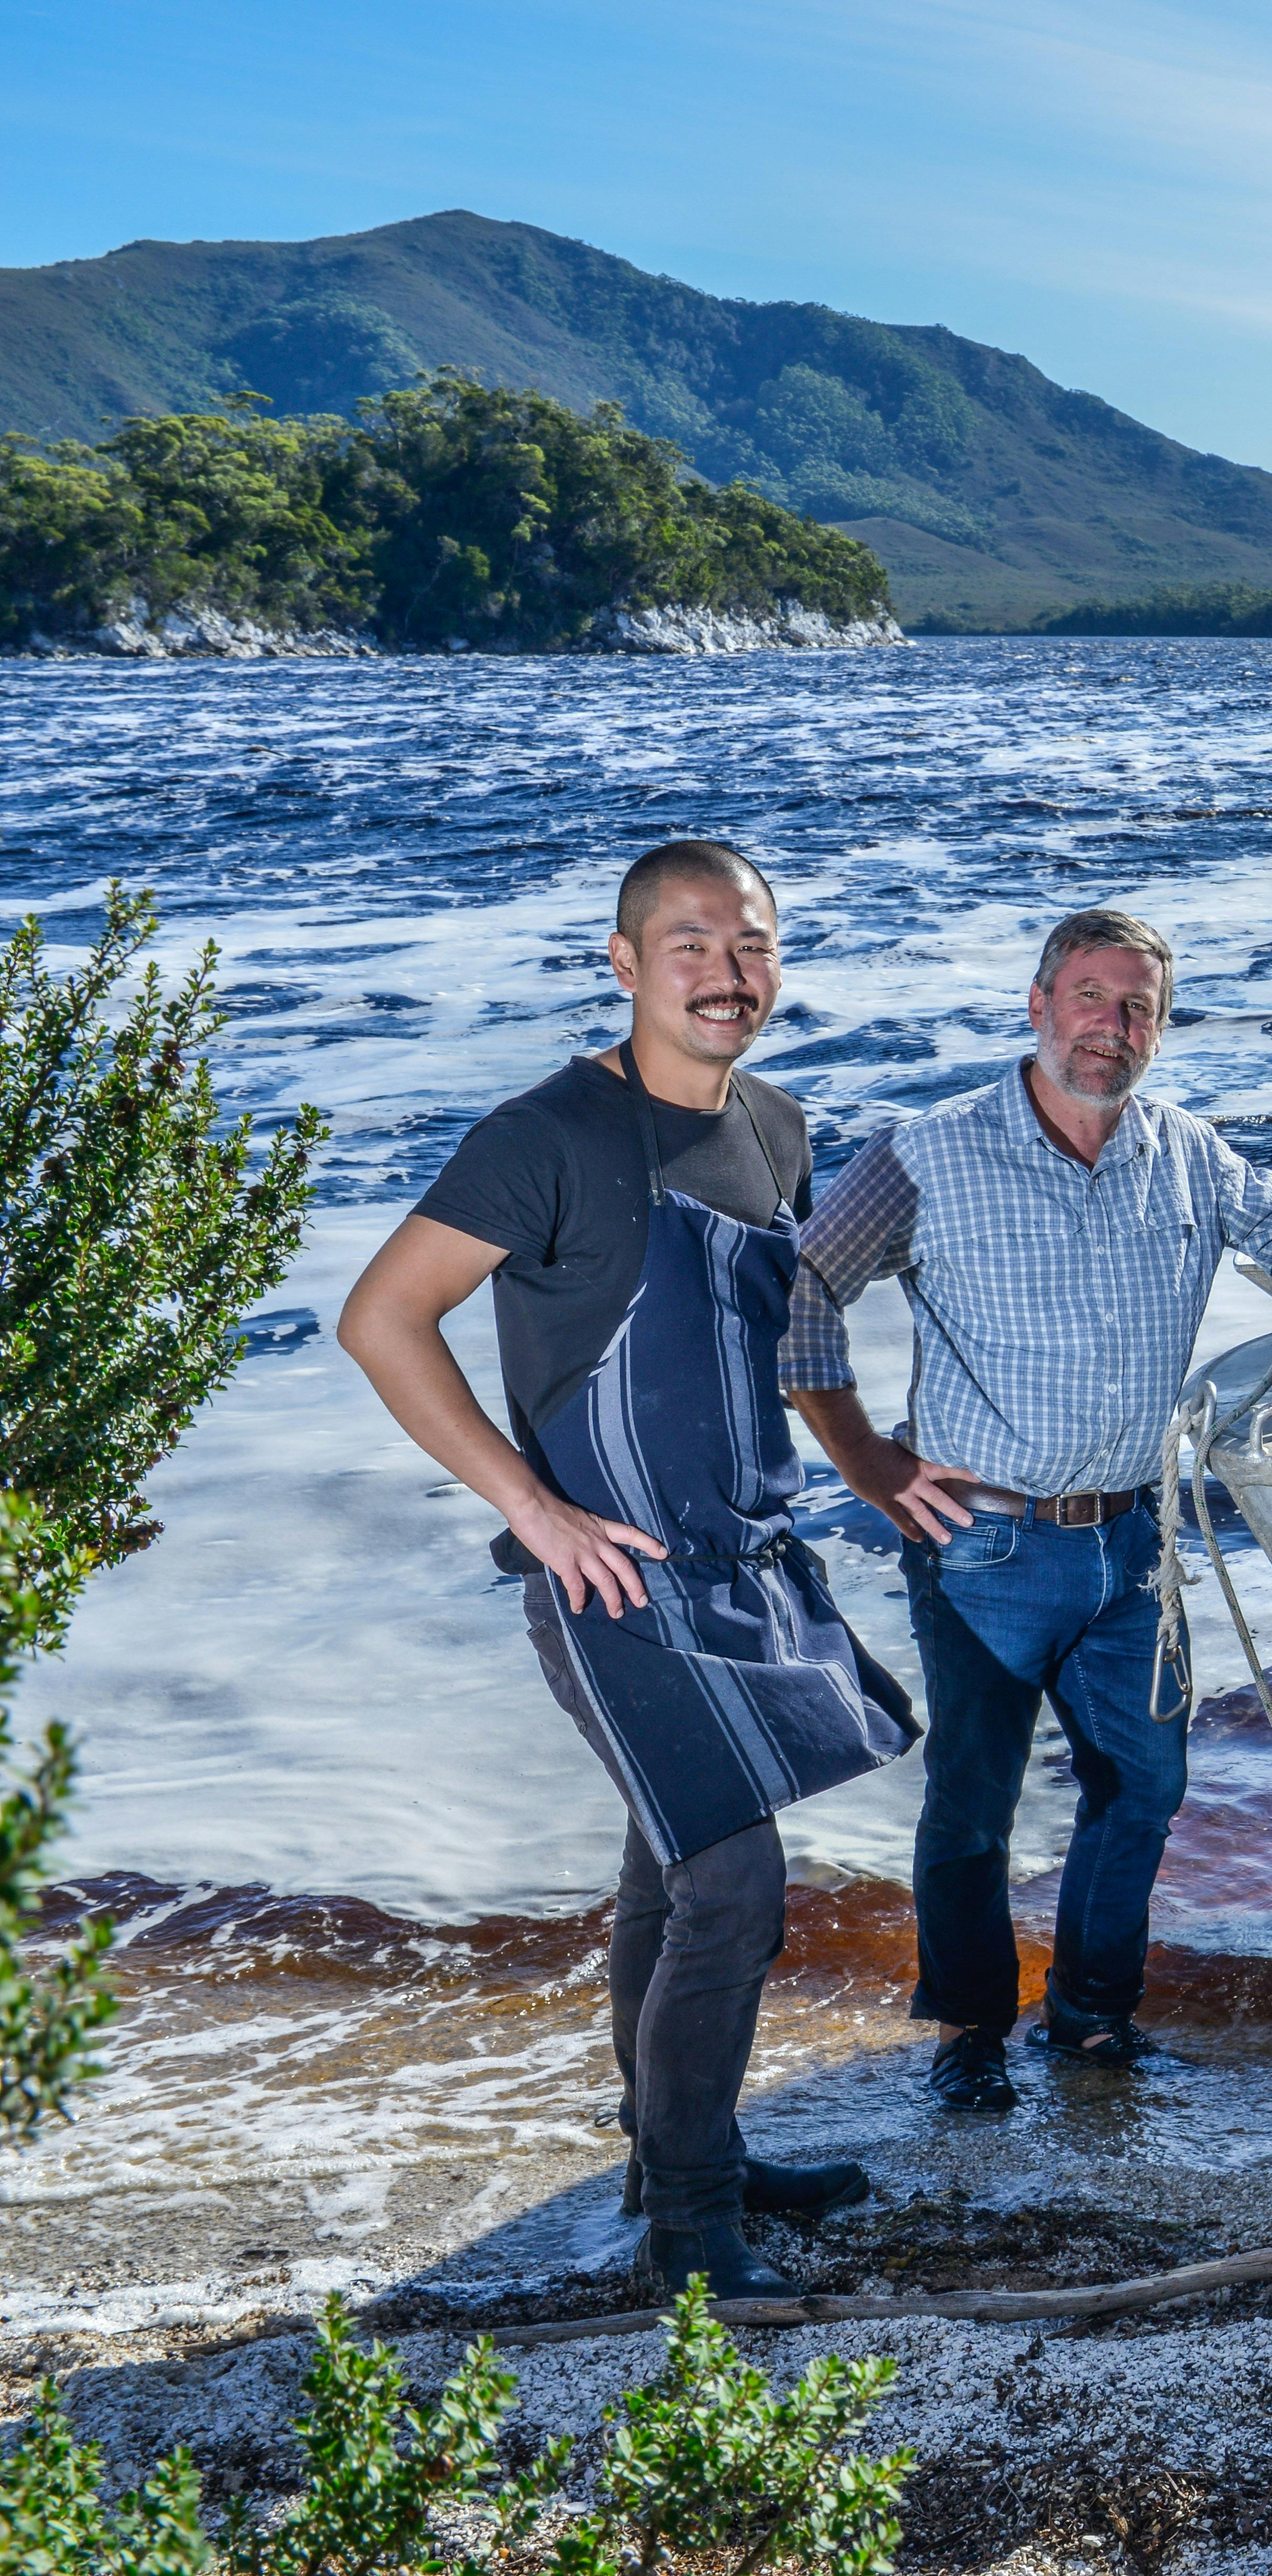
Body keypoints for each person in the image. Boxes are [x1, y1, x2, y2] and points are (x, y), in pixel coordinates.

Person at [341, 839, 916, 2301]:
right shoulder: (544, 1136)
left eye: (754, 947)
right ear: (626, 963)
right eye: (693, 947)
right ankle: (690, 2233)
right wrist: (533, 1511)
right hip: (610, 1582)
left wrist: (866, 1464)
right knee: (733, 1885)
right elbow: (383, 1321)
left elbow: (769, 1338)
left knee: (673, 1866)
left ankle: (683, 2154)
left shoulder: (778, 1127)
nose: (728, 976)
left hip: (743, 1560)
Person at [781, 907, 1272, 2114]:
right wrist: (862, 1460)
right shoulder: (927, 1150)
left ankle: (1093, 2022)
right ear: (1041, 1003)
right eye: (1093, 998)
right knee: (974, 1804)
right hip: (982, 1538)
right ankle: (966, 2032)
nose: (1114, 1028)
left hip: (1138, 1540)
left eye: (1140, 1008)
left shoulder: (1185, 1149)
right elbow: (800, 1286)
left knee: (1144, 1792)